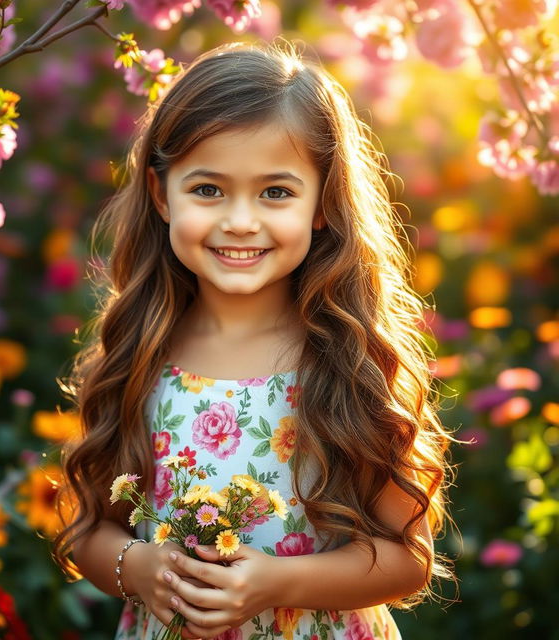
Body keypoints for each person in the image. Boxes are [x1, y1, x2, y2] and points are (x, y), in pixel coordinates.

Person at [52, 39, 459, 640]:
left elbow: (406, 558)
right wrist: (138, 568)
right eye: (208, 189)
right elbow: (89, 530)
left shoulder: (344, 358)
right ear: (163, 195)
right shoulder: (140, 351)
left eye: (275, 192)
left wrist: (275, 583)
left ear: (323, 203)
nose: (240, 220)